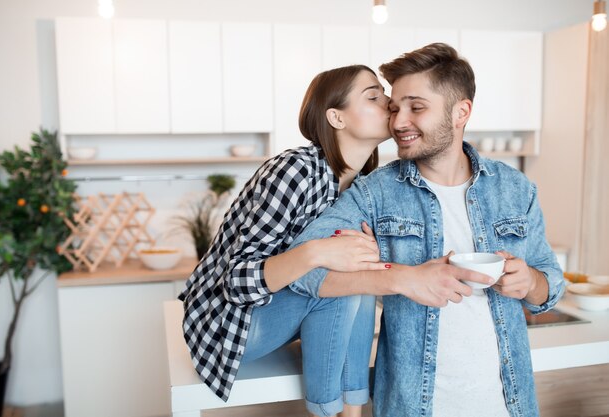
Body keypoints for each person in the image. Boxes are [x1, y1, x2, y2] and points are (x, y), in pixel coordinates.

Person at [288, 43, 565, 417]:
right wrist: (402, 278)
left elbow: (550, 284)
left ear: (460, 112)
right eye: (395, 107)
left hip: (509, 405)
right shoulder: (375, 193)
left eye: (416, 107)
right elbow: (301, 273)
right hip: (412, 407)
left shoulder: (515, 189)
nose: (399, 121)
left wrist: (529, 281)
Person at [178, 64, 395, 417]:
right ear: (337, 118)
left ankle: (352, 412)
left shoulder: (362, 183)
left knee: (358, 277)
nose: (388, 102)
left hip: (275, 312)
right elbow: (237, 282)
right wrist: (318, 251)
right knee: (343, 282)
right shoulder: (296, 170)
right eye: (373, 96)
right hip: (229, 324)